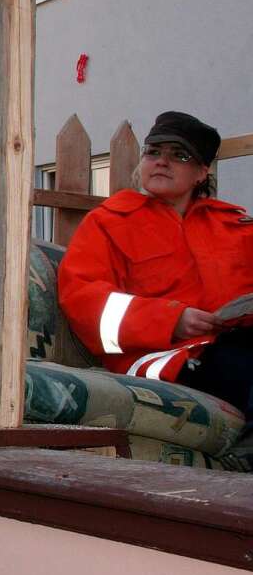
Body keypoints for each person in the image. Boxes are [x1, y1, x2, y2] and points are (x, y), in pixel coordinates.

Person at [59, 111, 253, 429]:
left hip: (230, 347)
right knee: (238, 362)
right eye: (154, 152)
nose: (162, 161)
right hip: (161, 358)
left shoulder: (235, 226)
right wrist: (171, 319)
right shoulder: (108, 222)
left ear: (201, 172)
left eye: (179, 155)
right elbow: (83, 301)